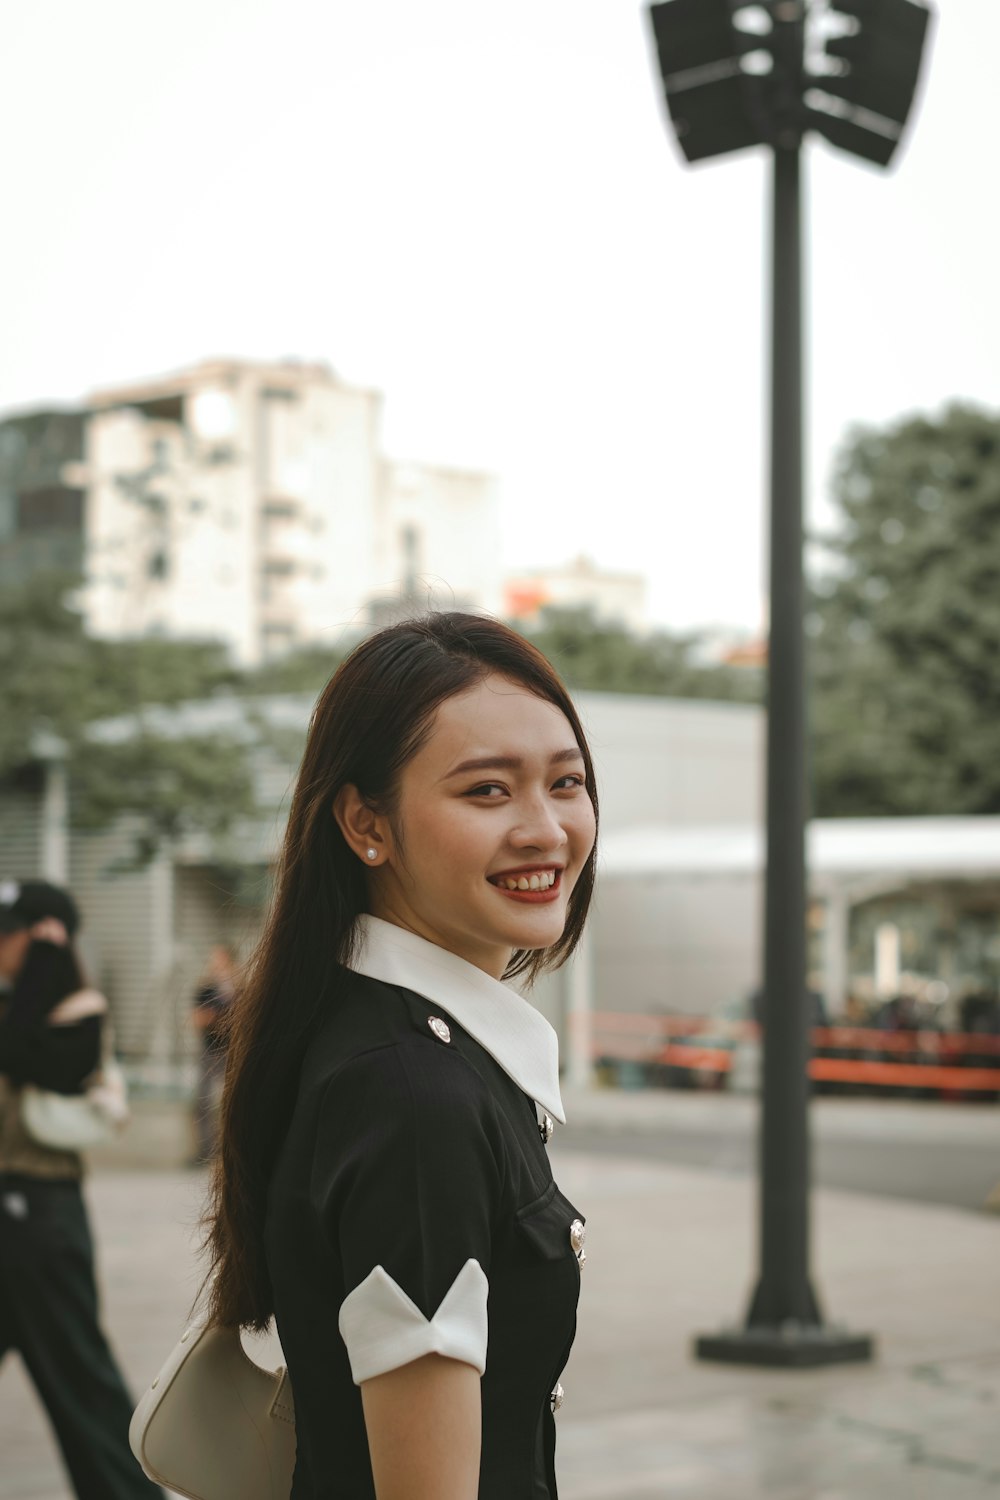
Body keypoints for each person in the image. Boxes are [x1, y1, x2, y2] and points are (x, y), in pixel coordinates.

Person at [205, 612, 599, 1500]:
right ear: (365, 823)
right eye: (487, 792)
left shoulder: (391, 1043)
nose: (546, 830)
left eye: (566, 782)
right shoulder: (412, 1093)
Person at [0, 878, 161, 1499]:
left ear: (46, 941)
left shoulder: (76, 1011)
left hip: (39, 1216)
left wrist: (43, 964)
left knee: (79, 1379)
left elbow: (25, 1055)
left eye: (11, 933)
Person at [189, 943, 238, 1164]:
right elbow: (199, 1020)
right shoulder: (204, 990)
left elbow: (243, 1022)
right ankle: (205, 1150)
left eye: (220, 960)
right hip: (209, 1051)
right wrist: (222, 1017)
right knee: (202, 1101)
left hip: (232, 1053)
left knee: (232, 1101)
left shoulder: (241, 990)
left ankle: (228, 1148)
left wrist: (216, 1016)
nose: (216, 965)